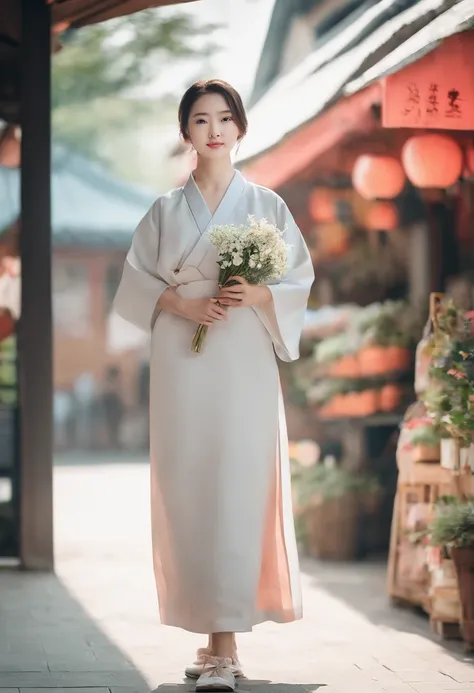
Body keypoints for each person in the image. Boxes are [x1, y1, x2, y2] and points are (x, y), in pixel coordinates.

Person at [113, 79, 314, 692]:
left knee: (236, 483)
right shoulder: (164, 212)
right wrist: (178, 304)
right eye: (201, 120)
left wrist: (258, 292)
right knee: (188, 485)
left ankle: (224, 646)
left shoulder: (268, 206)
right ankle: (209, 634)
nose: (215, 129)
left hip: (245, 363)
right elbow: (133, 285)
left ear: (241, 127)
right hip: (183, 364)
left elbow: (298, 279)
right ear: (187, 133)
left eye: (225, 118)